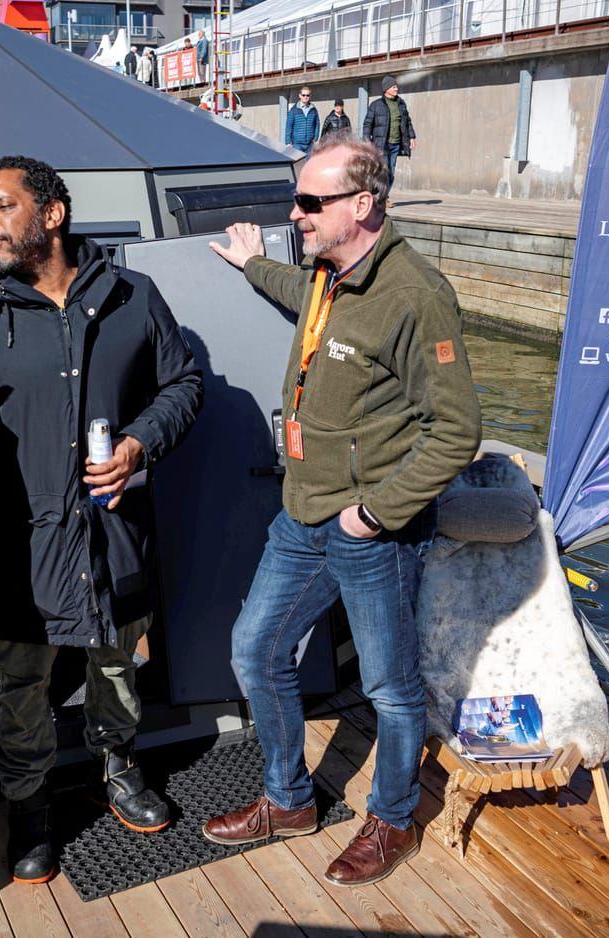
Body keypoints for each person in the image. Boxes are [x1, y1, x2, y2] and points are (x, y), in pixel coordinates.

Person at [0, 156, 203, 885]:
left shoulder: (133, 295)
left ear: (53, 214)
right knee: (22, 692)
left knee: (118, 668)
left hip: (112, 540)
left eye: (1, 206)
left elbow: (183, 383)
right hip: (23, 552)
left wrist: (139, 442)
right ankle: (31, 810)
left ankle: (120, 766)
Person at [203, 138, 480, 887]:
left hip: (370, 533)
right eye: (297, 201)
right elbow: (304, 299)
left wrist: (377, 512)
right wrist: (252, 263)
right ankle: (290, 800)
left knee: (390, 689)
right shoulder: (329, 275)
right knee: (254, 651)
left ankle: (391, 819)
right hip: (301, 517)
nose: (295, 215)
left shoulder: (417, 296)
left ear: (362, 206)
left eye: (309, 204)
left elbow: (456, 429)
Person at [360, 75, 417, 202]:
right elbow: (367, 124)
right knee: (383, 172)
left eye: (396, 86)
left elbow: (407, 121)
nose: (397, 89)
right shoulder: (376, 105)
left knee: (391, 173)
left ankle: (383, 197)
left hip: (395, 144)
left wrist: (412, 137)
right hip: (382, 144)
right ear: (386, 89)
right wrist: (366, 142)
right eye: (394, 87)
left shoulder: (401, 104)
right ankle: (377, 195)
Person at [284, 87, 321, 156]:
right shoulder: (293, 110)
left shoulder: (313, 110)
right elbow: (288, 127)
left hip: (310, 145)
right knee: (298, 166)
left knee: (309, 166)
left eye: (307, 95)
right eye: (303, 95)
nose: (305, 97)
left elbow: (317, 124)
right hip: (297, 145)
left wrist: (315, 138)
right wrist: (288, 142)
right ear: (300, 96)